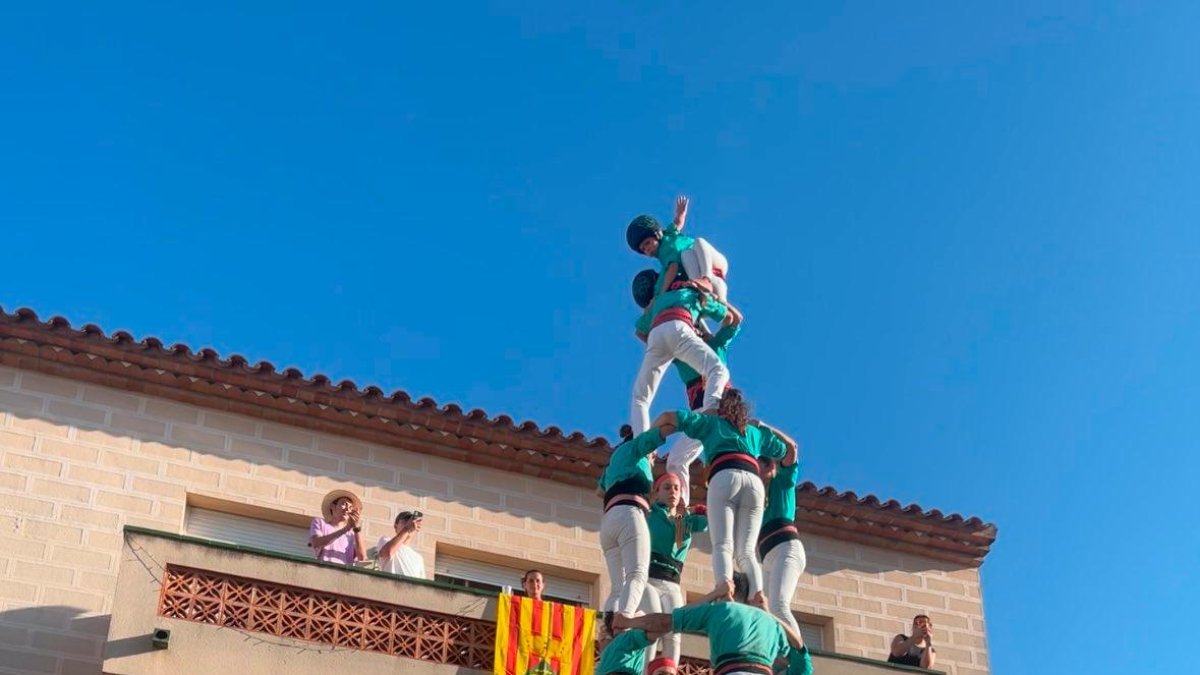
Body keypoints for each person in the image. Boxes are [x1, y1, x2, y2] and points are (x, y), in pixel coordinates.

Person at [650, 389, 795, 606]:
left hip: (725, 476)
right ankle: (757, 595)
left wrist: (649, 442)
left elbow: (668, 416)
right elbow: (788, 451)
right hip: (753, 483)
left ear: (720, 408)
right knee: (746, 551)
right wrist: (762, 426)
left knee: (723, 544)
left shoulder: (711, 423)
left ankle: (725, 589)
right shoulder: (754, 432)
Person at [629, 268, 741, 435]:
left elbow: (639, 330)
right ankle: (710, 414)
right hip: (712, 399)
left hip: (659, 335)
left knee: (640, 397)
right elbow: (732, 318)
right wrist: (713, 297)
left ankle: (641, 440)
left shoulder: (660, 301)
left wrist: (653, 312)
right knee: (719, 370)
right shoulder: (694, 295)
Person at [616, 587, 812, 675]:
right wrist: (769, 614)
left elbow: (665, 621)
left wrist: (629, 621)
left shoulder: (721, 610)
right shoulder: (771, 625)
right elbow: (801, 651)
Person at [659, 319, 740, 505]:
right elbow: (650, 338)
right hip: (702, 416)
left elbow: (735, 321)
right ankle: (681, 512)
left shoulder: (715, 344)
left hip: (723, 411)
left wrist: (706, 305)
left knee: (731, 457)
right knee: (676, 461)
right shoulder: (680, 353)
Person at [597, 423, 671, 620]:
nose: (653, 460)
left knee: (618, 587)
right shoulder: (638, 448)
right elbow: (655, 435)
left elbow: (600, 490)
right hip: (629, 513)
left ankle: (609, 627)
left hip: (609, 519)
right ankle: (623, 620)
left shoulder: (615, 459)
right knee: (637, 575)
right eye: (654, 455)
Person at [641, 472, 707, 665]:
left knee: (674, 635)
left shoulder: (683, 521)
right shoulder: (649, 514)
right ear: (656, 493)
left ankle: (669, 670)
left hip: (672, 583)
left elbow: (709, 520)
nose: (673, 492)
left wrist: (696, 509)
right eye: (667, 487)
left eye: (677, 488)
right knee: (652, 628)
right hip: (649, 579)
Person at [627, 195, 731, 302]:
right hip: (701, 271)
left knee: (699, 242)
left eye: (647, 243)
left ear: (657, 234)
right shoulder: (664, 258)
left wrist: (681, 214)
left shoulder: (668, 238)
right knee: (686, 255)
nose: (647, 249)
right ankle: (698, 287)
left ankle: (706, 279)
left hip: (713, 261)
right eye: (643, 249)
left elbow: (677, 224)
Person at [757, 433, 806, 636]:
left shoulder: (782, 481)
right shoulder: (756, 499)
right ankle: (779, 652)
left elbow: (792, 447)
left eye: (758, 467)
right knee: (765, 612)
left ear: (771, 466)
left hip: (786, 549)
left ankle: (799, 652)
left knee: (778, 606)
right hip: (767, 557)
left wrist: (761, 426)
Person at [308, 489, 366, 565]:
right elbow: (316, 543)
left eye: (350, 507)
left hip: (343, 572)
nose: (347, 509)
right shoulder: (320, 523)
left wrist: (356, 528)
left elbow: (362, 558)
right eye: (344, 504)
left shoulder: (352, 534)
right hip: (322, 569)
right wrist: (346, 529)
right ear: (333, 506)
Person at [376, 509, 425, 578]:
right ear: (396, 526)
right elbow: (387, 552)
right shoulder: (385, 540)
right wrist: (407, 529)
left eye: (411, 522)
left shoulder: (418, 558)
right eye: (405, 521)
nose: (409, 524)